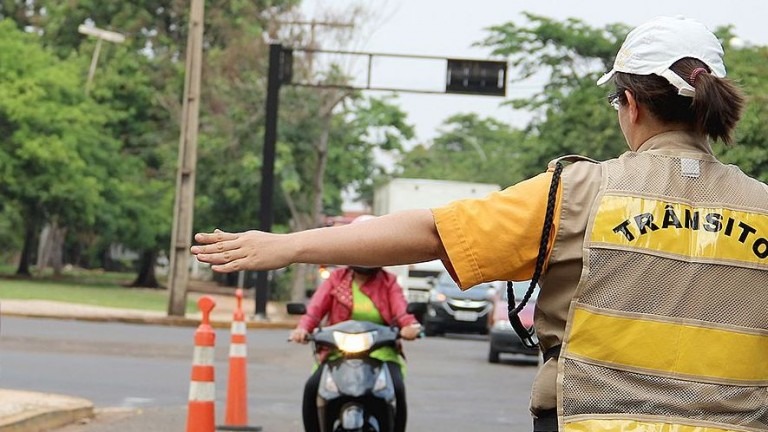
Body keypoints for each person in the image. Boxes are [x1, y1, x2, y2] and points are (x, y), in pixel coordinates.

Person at [192, 16, 768, 432]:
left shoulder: (580, 193)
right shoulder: (762, 208)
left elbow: (431, 232)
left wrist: (289, 246)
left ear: (630, 104)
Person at [289, 215, 421, 432]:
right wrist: (303, 329)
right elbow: (314, 310)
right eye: (361, 246)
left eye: (372, 246)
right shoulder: (335, 279)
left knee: (397, 388)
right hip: (337, 353)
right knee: (312, 388)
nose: (365, 252)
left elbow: (402, 311)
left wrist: (410, 327)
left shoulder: (389, 282)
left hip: (381, 352)